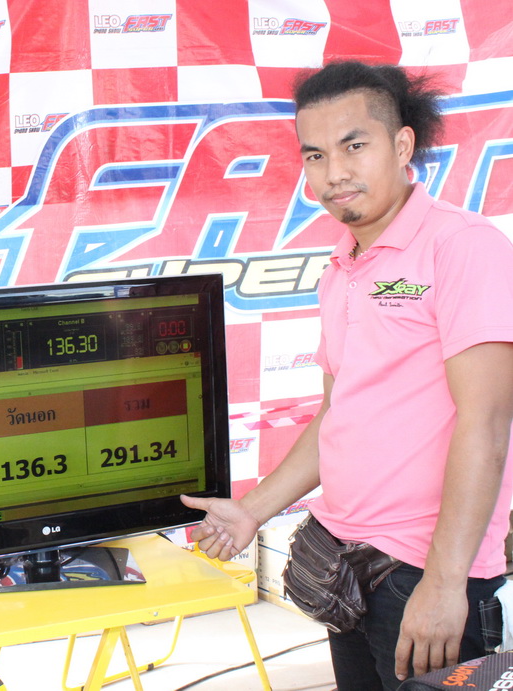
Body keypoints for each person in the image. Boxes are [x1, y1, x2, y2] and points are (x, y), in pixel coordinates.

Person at [181, 61, 513, 689]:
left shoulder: (463, 246)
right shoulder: (342, 265)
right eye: (315, 155)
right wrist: (251, 511)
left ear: (403, 144)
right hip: (346, 564)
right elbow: (339, 413)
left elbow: (488, 423)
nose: (333, 172)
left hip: (425, 574)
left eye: (353, 146)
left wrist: (445, 583)